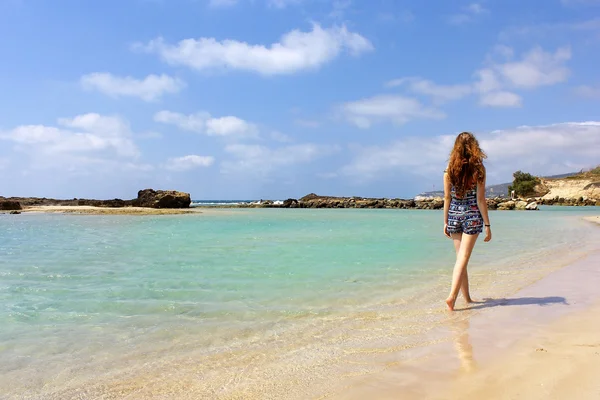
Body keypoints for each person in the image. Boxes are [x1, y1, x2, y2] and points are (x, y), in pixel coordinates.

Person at [443, 132, 492, 311]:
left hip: (454, 216)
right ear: (474, 147)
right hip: (471, 216)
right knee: (463, 259)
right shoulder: (479, 170)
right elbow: (480, 200)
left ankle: (468, 299)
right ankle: (452, 297)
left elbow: (447, 198)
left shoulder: (449, 170)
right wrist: (487, 225)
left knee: (460, 260)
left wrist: (445, 222)